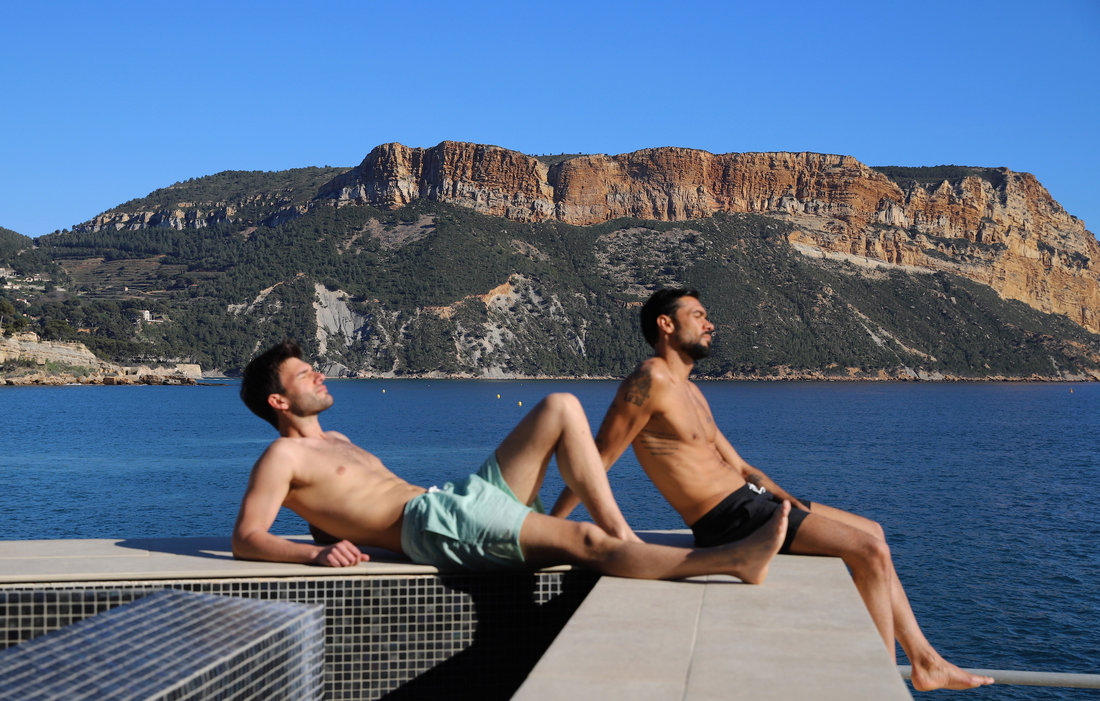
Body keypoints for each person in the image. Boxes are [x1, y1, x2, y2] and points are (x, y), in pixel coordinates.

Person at [550, 288, 994, 692]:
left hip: (753, 503)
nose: (710, 324)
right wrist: (552, 526)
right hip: (729, 520)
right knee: (870, 553)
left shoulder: (691, 392)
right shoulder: (647, 382)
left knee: (873, 530)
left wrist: (790, 502)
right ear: (665, 324)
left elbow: (743, 466)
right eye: (698, 315)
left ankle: (924, 661)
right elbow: (599, 457)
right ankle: (879, 683)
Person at [231, 339, 789, 585]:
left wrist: (335, 530)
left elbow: (336, 508)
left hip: (455, 500)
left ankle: (620, 530)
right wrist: (315, 553)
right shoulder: (284, 453)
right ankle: (730, 561)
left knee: (560, 406)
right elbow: (247, 537)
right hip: (435, 526)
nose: (318, 374)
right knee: (588, 546)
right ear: (279, 401)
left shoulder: (339, 438)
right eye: (305, 375)